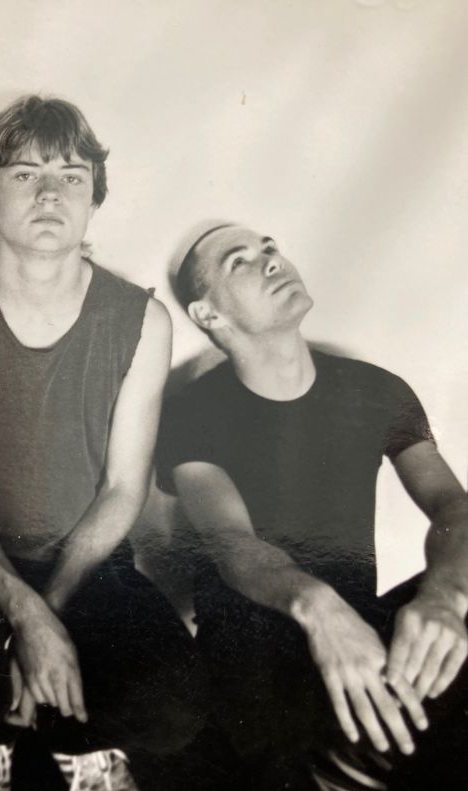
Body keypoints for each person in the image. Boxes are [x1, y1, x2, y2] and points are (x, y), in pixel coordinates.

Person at [0, 95, 205, 790]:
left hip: (89, 562)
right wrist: (21, 611)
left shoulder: (141, 320)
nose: (49, 194)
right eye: (26, 174)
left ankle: (70, 735)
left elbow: (123, 487)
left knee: (173, 704)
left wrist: (48, 611)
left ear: (94, 198)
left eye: (70, 176)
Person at [157, 221, 468, 789]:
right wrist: (320, 609)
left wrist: (445, 596)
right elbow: (233, 544)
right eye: (239, 261)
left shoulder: (377, 390)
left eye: (270, 247)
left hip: (364, 643)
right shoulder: (191, 412)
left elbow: (454, 506)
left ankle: (359, 765)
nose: (272, 260)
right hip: (255, 668)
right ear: (208, 315)